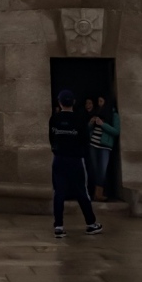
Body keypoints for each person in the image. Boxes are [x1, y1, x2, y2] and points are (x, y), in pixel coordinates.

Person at [48, 89, 103, 238]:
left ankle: (58, 226)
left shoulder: (54, 119)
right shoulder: (79, 119)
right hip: (75, 160)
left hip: (59, 159)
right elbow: (85, 140)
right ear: (73, 102)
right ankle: (91, 223)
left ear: (59, 102)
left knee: (58, 192)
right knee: (81, 191)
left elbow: (51, 138)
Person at [87, 95, 120, 201]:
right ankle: (94, 193)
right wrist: (91, 123)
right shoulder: (97, 112)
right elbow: (88, 129)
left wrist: (103, 124)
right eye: (98, 101)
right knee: (94, 169)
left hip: (105, 146)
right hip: (93, 144)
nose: (99, 103)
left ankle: (99, 194)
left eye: (101, 101)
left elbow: (116, 131)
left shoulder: (114, 115)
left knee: (102, 170)